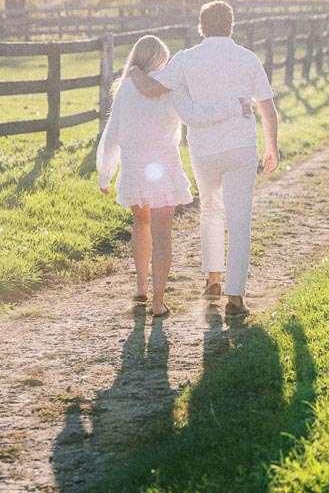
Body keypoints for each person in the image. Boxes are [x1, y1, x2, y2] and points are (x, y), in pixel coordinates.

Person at [129, 1, 280, 318]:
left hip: (204, 151)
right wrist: (272, 147)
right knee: (240, 223)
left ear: (201, 27)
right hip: (240, 148)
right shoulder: (248, 59)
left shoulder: (186, 59)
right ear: (231, 26)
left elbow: (153, 88)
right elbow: (267, 107)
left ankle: (213, 279)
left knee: (211, 211)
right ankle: (235, 298)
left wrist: (135, 72)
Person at [97, 33, 251, 318]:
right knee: (162, 234)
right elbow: (194, 115)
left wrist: (105, 174)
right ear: (160, 60)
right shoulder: (170, 88)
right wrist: (232, 108)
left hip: (133, 166)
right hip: (162, 167)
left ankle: (141, 287)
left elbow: (112, 133)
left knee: (140, 224)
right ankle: (158, 302)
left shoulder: (125, 89)